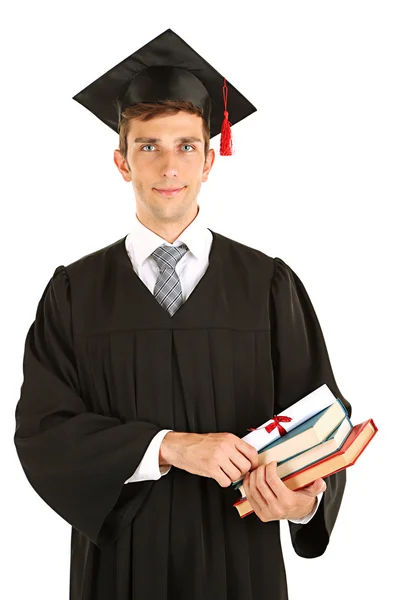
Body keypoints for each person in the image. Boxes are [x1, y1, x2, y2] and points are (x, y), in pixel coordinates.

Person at [14, 29, 352, 600]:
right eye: (148, 146)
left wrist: (301, 501)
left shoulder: (268, 284)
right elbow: (45, 434)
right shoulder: (74, 292)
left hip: (238, 559)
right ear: (121, 162)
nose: (169, 165)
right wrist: (169, 445)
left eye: (186, 145)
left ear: (210, 157)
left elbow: (319, 419)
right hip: (120, 567)